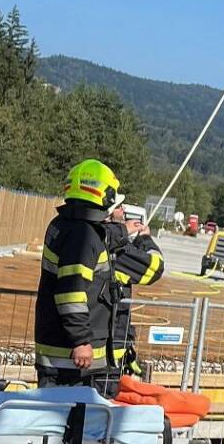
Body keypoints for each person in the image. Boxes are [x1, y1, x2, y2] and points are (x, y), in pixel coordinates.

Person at [34, 160, 131, 392]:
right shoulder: (83, 236)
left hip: (61, 350)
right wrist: (81, 340)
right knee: (67, 422)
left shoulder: (65, 225)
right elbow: (71, 291)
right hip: (69, 358)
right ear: (105, 196)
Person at [99, 202, 166, 389]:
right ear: (109, 213)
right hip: (107, 351)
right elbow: (154, 267)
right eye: (119, 207)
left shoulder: (86, 238)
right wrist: (145, 239)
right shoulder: (115, 250)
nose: (124, 211)